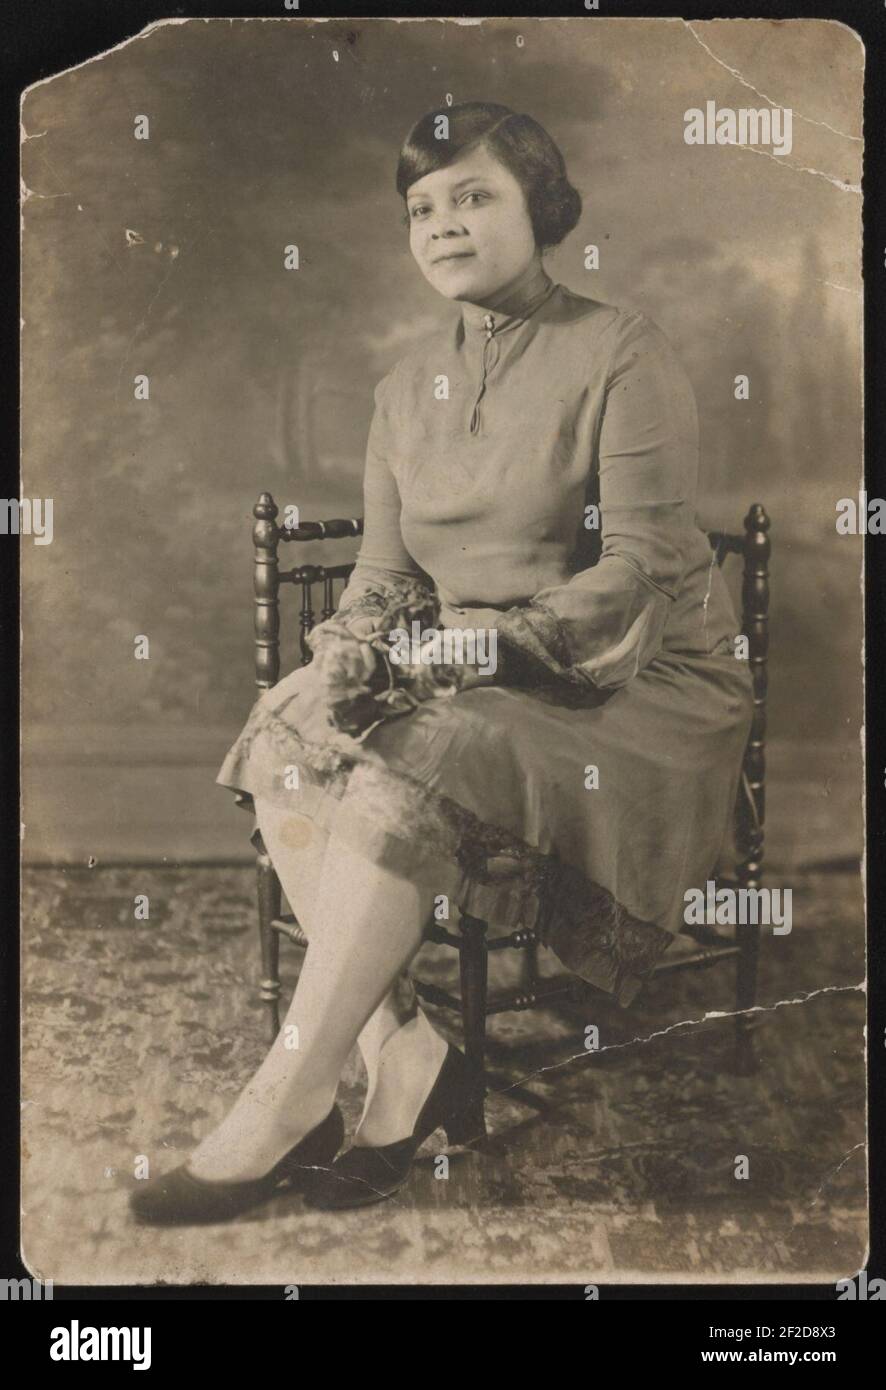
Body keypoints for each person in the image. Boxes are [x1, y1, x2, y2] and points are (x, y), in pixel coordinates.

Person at [131, 102, 753, 1225]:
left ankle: (288, 1093)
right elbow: (384, 579)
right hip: (464, 676)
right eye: (422, 207)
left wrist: (493, 642)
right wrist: (358, 654)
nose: (443, 225)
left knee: (425, 748)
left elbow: (646, 568)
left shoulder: (623, 350)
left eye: (473, 196)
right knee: (289, 721)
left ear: (540, 207)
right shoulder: (399, 391)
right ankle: (403, 1052)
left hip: (626, 682)